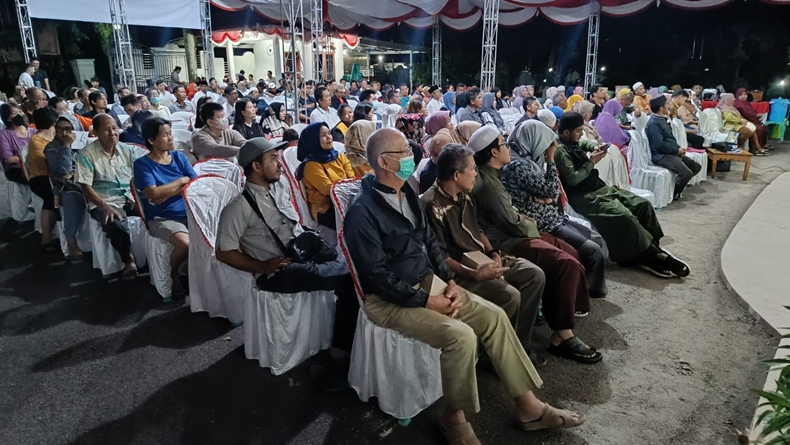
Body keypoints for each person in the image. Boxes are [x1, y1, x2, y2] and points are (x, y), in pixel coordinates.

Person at [343, 128, 586, 445]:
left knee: (495, 316)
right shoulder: (363, 212)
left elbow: (431, 245)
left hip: (430, 283)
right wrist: (425, 301)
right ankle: (452, 417)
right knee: (462, 336)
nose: (411, 154)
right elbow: (375, 275)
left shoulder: (406, 195)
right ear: (384, 162)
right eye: (403, 151)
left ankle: (528, 406)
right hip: (390, 300)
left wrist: (450, 281)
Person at [215, 137, 358, 389]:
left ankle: (345, 340)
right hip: (277, 271)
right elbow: (223, 252)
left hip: (300, 250)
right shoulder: (238, 208)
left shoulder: (279, 185)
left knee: (352, 267)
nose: (280, 162)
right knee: (349, 277)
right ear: (256, 167)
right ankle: (338, 359)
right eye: (272, 158)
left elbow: (291, 223)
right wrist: (261, 267)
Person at [467, 125, 601, 364]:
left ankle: (560, 315)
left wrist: (526, 217)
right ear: (493, 153)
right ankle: (562, 334)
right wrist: (531, 224)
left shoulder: (497, 175)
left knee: (570, 252)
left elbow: (519, 209)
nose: (508, 147)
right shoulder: (490, 185)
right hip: (507, 240)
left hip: (519, 232)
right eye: (503, 144)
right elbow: (511, 222)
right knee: (565, 263)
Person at [421, 143, 546, 361]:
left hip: (483, 258)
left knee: (534, 275)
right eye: (473, 169)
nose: (476, 174)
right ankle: (496, 356)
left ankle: (518, 345)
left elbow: (477, 230)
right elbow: (441, 257)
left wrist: (493, 253)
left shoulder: (465, 195)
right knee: (510, 295)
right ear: (457, 175)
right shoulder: (431, 205)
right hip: (461, 271)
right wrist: (476, 274)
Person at [555, 112, 690, 278]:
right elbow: (573, 179)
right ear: (566, 132)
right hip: (585, 197)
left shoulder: (572, 142)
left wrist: (594, 147)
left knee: (643, 205)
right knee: (624, 217)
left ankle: (649, 250)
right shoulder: (560, 150)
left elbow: (583, 143)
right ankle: (654, 257)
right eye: (578, 131)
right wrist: (592, 162)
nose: (581, 134)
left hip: (601, 189)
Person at [504, 120, 607, 298]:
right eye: (545, 144)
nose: (549, 148)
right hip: (545, 223)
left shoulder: (531, 159)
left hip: (553, 216)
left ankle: (586, 288)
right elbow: (552, 190)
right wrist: (551, 159)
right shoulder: (518, 166)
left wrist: (545, 197)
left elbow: (550, 195)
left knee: (597, 239)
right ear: (533, 140)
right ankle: (586, 293)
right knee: (593, 250)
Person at [134, 117, 196, 300]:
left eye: (171, 134)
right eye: (165, 135)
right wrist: (181, 181)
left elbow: (194, 183)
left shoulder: (178, 157)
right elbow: (152, 193)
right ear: (151, 140)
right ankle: (174, 272)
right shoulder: (142, 164)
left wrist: (167, 193)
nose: (171, 139)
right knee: (185, 244)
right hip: (162, 217)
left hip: (190, 211)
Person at [75, 114, 141, 279]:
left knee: (158, 212)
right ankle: (128, 259)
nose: (112, 133)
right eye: (106, 129)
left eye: (114, 128)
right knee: (114, 222)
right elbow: (85, 187)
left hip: (130, 196)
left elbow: (139, 176)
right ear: (95, 132)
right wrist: (105, 206)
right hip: (104, 200)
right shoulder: (86, 154)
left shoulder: (127, 150)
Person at [295, 122, 355, 228]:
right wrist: (348, 186)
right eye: (323, 135)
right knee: (358, 219)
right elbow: (328, 189)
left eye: (329, 133)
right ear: (313, 140)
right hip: (325, 208)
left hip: (345, 199)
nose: (329, 137)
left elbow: (352, 180)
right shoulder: (311, 164)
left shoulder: (339, 156)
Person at [45, 116, 88, 261]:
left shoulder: (83, 143)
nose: (64, 132)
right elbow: (64, 171)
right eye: (60, 129)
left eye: (68, 129)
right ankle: (71, 240)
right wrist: (66, 146)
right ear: (55, 130)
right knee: (72, 198)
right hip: (65, 186)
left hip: (86, 180)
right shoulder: (51, 148)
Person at [645, 96, 702, 200]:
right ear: (661, 109)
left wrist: (678, 149)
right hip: (661, 156)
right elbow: (660, 145)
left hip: (671, 153)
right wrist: (676, 150)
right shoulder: (654, 124)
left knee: (696, 167)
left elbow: (669, 139)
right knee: (686, 174)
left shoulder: (662, 119)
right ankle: (672, 194)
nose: (669, 106)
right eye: (667, 105)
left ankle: (673, 189)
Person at [26, 106, 59, 249]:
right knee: (51, 196)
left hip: (57, 175)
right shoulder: (36, 140)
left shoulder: (58, 134)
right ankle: (46, 237)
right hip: (41, 177)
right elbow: (43, 160)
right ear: (53, 120)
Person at [0, 103, 36, 185]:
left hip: (35, 166)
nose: (20, 115)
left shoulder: (34, 132)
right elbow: (8, 159)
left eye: (20, 112)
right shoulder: (4, 134)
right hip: (17, 169)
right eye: (15, 113)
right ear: (8, 118)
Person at [734, 88, 770, 153]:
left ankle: (762, 145)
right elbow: (745, 114)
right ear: (738, 95)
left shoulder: (746, 103)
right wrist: (756, 116)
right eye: (741, 95)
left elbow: (752, 111)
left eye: (745, 94)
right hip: (745, 119)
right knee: (757, 128)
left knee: (764, 128)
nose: (744, 96)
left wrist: (756, 115)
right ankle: (754, 149)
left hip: (751, 119)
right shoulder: (737, 104)